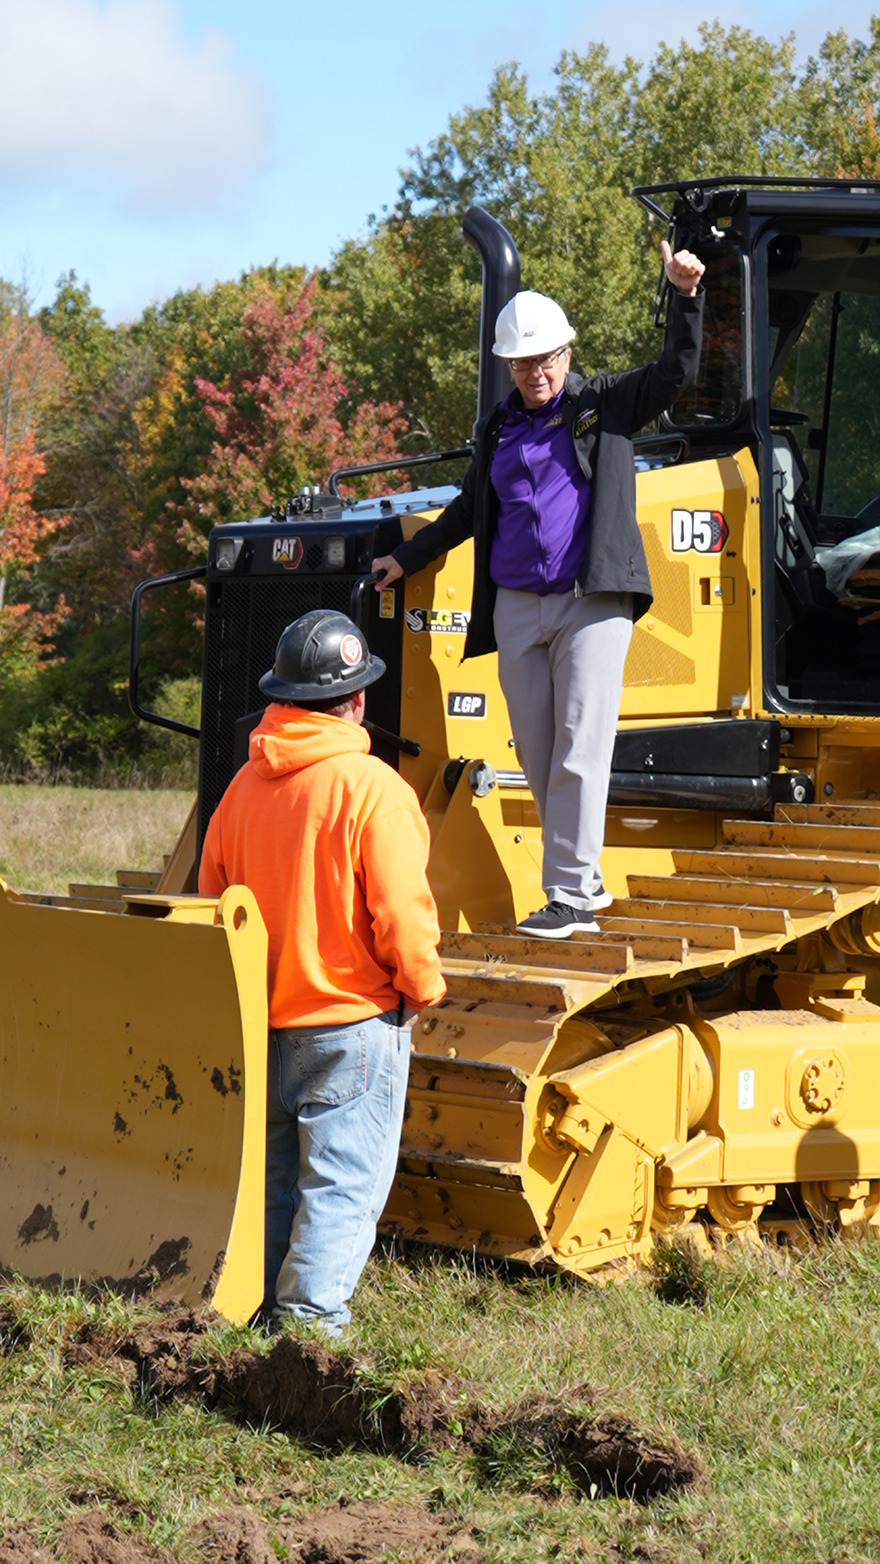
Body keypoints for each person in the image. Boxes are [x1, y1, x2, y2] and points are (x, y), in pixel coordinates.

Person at [372, 240, 705, 939]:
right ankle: (582, 884)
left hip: (590, 603)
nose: (535, 371)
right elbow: (470, 509)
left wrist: (684, 297)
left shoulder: (604, 403)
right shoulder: (497, 425)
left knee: (581, 745)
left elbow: (676, 373)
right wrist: (409, 556)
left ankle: (572, 895)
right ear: (508, 367)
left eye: (545, 358)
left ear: (567, 354)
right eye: (521, 362)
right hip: (518, 607)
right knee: (536, 754)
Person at [198, 608, 446, 1335]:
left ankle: (256, 1318)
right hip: (353, 1025)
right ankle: (308, 1336)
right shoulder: (373, 790)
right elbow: (401, 911)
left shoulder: (241, 791)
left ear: (281, 699)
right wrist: (422, 987)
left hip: (262, 1025)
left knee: (276, 1182)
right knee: (341, 1186)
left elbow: (215, 902)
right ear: (358, 699)